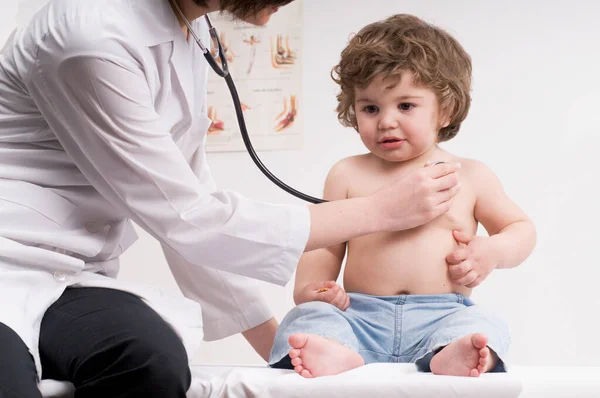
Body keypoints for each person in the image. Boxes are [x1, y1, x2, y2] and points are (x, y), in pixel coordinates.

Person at [0, 1, 462, 397]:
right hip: (7, 262)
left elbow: (187, 203)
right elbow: (188, 219)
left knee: (150, 360)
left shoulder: (187, 26)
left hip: (74, 280)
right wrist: (380, 211)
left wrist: (281, 352)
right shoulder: (90, 35)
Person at [269, 14, 536, 378]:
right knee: (305, 318)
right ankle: (335, 350)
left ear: (447, 109)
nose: (386, 121)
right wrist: (310, 289)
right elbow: (325, 245)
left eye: (405, 106)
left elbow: (520, 228)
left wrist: (491, 252)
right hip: (358, 316)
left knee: (484, 323)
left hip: (443, 314)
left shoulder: (470, 174)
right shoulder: (347, 173)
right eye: (370, 108)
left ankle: (451, 353)